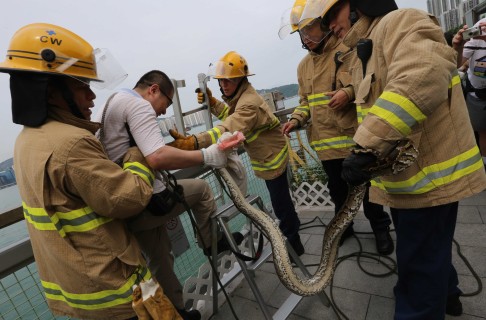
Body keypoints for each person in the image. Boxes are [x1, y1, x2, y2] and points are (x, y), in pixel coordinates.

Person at [312, 0, 486, 318]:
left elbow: (422, 76)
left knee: (417, 267)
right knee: (426, 249)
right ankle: (448, 293)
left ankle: (423, 301)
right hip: (406, 179)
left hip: (428, 181)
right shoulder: (366, 48)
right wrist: (349, 107)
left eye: (330, 16)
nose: (329, 27)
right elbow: (378, 107)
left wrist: (365, 146)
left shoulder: (402, 21)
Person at [0, 23, 157, 320]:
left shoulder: (26, 141)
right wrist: (136, 155)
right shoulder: (71, 144)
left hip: (75, 290)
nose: (91, 97)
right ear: (50, 90)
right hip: (113, 291)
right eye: (81, 86)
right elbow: (129, 199)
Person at [94, 70, 241, 320]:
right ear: (153, 90)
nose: (163, 112)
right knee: (203, 191)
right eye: (167, 103)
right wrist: (207, 156)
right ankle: (210, 243)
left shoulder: (111, 103)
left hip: (126, 202)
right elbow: (156, 156)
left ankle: (179, 312)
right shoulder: (138, 105)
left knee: (160, 256)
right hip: (148, 199)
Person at [280, 0, 394, 255]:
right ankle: (346, 227)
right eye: (301, 33)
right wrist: (296, 119)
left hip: (355, 137)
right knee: (337, 192)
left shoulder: (348, 48)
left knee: (369, 190)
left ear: (323, 24)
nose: (306, 38)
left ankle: (381, 229)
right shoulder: (303, 67)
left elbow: (369, 81)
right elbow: (305, 102)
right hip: (325, 144)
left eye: (309, 30)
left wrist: (348, 93)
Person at [167, 51, 305, 257]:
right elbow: (230, 115)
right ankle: (292, 233)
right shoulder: (244, 97)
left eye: (228, 81)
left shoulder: (248, 102)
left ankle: (294, 246)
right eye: (221, 82)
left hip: (271, 160)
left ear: (241, 79)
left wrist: (195, 141)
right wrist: (213, 103)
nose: (223, 86)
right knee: (282, 202)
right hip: (269, 156)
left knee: (281, 205)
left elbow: (229, 125)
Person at [452, 19, 486, 165]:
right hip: (479, 93)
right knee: (482, 131)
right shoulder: (481, 26)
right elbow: (455, 64)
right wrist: (457, 48)